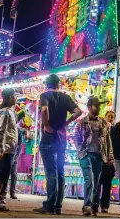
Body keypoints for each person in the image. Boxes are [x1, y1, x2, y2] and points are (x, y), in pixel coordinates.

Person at [33, 74, 82, 215]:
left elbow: (44, 110)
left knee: (51, 173)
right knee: (60, 173)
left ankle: (49, 205)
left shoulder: (45, 96)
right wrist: (65, 124)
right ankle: (58, 206)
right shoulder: (65, 97)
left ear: (47, 84)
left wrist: (47, 124)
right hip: (61, 139)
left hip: (49, 138)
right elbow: (78, 112)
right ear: (58, 84)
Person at [74, 97, 114, 216]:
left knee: (96, 182)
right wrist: (81, 153)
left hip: (99, 155)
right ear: (90, 107)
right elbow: (76, 139)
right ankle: (86, 205)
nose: (99, 107)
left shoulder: (103, 122)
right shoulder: (82, 122)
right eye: (97, 105)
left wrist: (110, 155)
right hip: (86, 154)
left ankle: (94, 204)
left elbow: (107, 140)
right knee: (89, 179)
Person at [0, 88, 18, 211]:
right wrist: (1, 149)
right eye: (15, 95)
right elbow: (0, 131)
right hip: (3, 151)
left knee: (3, 176)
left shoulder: (9, 112)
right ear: (10, 97)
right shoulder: (4, 112)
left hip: (7, 149)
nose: (16, 98)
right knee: (0, 176)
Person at [98, 111, 116, 213]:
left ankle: (105, 206)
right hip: (99, 160)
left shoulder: (115, 131)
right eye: (109, 116)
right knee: (97, 183)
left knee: (107, 184)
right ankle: (94, 204)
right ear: (105, 117)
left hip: (110, 162)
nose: (110, 118)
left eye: (112, 117)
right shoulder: (100, 128)